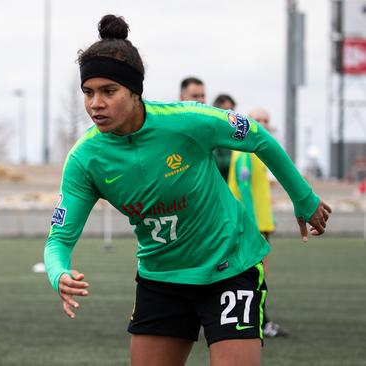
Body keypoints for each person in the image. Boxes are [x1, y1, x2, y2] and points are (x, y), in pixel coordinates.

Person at [44, 14, 332, 366]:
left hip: (229, 268)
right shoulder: (85, 159)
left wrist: (304, 199)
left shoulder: (188, 121)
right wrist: (59, 273)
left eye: (108, 91)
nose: (95, 104)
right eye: (88, 92)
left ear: (135, 92)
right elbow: (58, 240)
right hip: (160, 279)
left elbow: (257, 135)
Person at [228, 107, 288, 338]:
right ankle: (255, 322)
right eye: (258, 119)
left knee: (255, 275)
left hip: (261, 224)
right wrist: (253, 224)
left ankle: (253, 319)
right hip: (252, 226)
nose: (263, 123)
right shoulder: (245, 151)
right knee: (254, 276)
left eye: (266, 120)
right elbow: (243, 187)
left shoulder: (256, 151)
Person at [212, 94, 237, 181]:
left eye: (233, 111)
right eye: (227, 111)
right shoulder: (211, 133)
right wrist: (237, 160)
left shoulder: (232, 133)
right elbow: (215, 163)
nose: (231, 115)